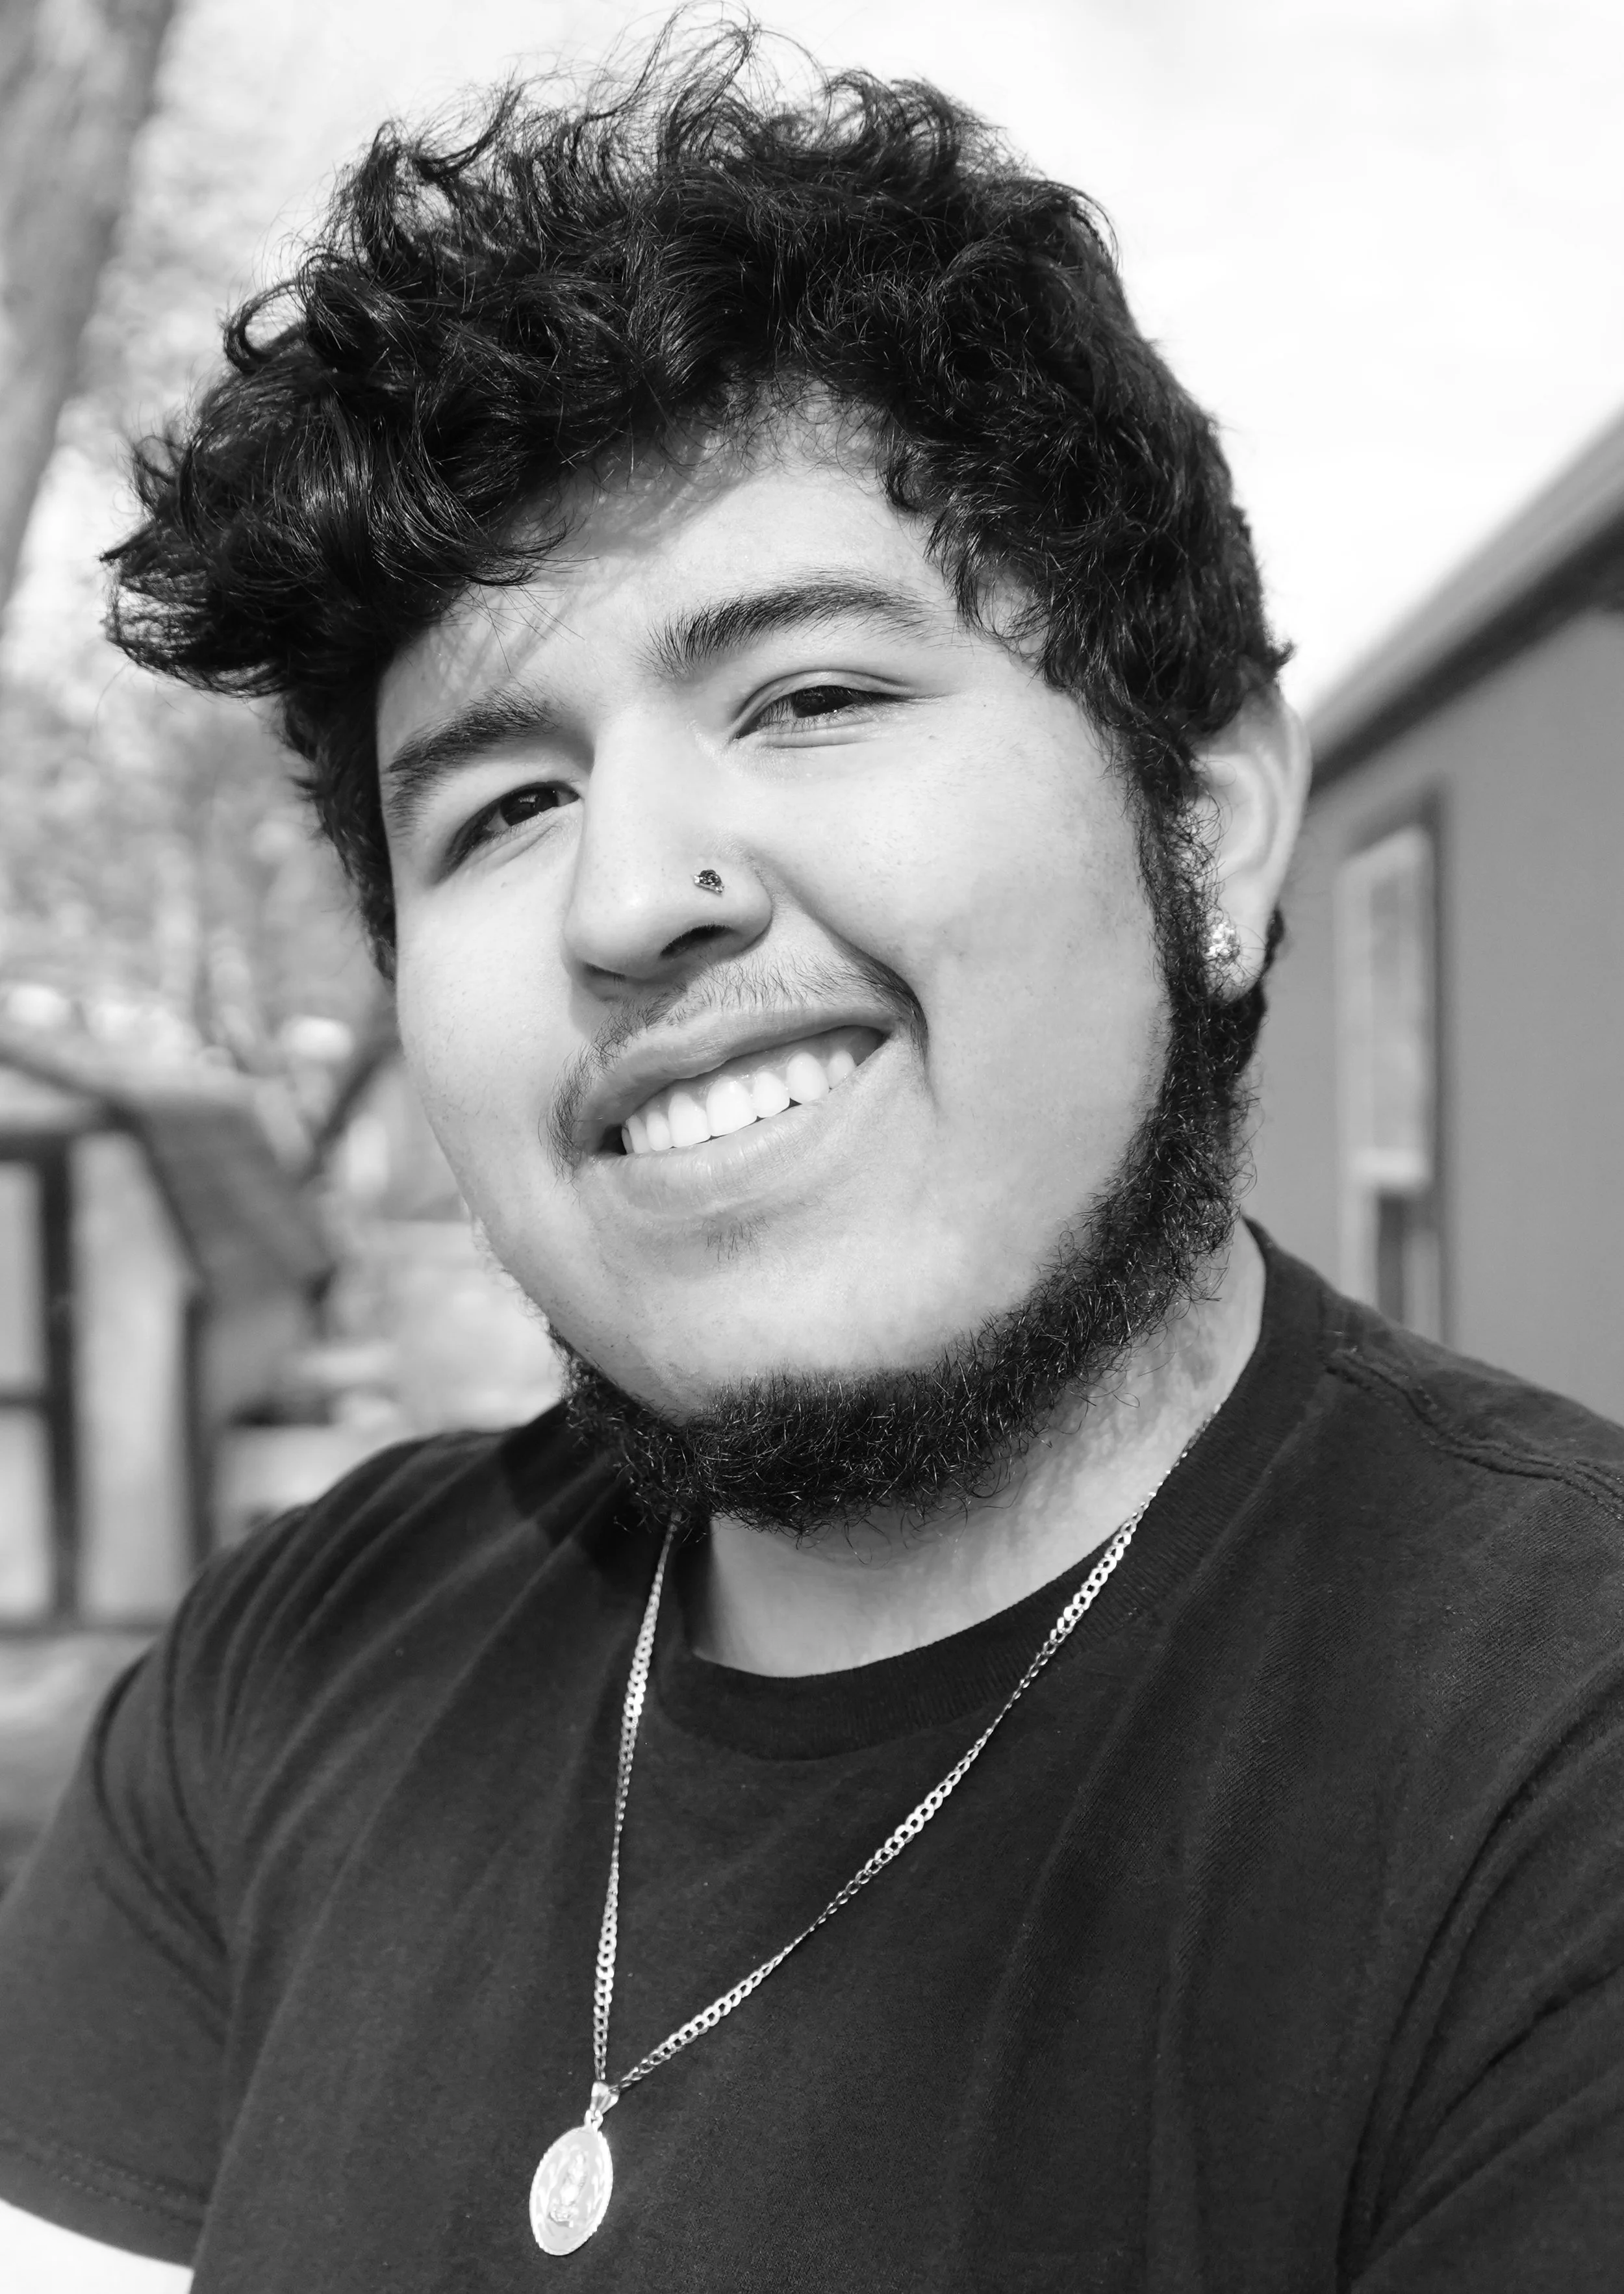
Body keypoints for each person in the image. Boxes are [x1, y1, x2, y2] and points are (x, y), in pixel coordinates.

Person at [3, 29, 1624, 2293]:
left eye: (810, 696)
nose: (628, 893)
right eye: (499, 806)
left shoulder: (1540, 1759)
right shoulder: (289, 1669)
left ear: (1210, 822)